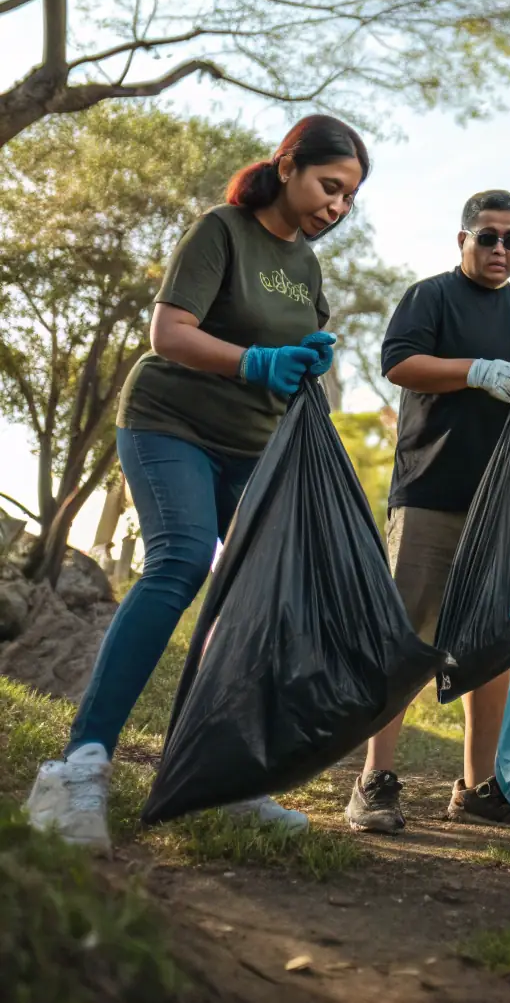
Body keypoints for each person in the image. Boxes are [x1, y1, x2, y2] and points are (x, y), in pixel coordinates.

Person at [25, 115, 369, 854]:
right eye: (329, 186)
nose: (336, 207)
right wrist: (253, 361)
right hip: (167, 425)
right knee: (180, 560)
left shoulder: (306, 266)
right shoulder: (221, 230)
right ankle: (77, 766)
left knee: (257, 591)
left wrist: (304, 358)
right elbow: (169, 333)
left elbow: (288, 353)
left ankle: (228, 773)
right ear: (288, 166)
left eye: (349, 198)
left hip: (254, 444)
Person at [345, 189, 510, 834]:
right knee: (407, 637)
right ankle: (374, 781)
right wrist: (472, 371)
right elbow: (398, 363)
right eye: (489, 237)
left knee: (491, 644)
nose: (501, 249)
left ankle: (476, 787)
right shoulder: (431, 296)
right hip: (430, 492)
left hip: (502, 505)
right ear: (463, 239)